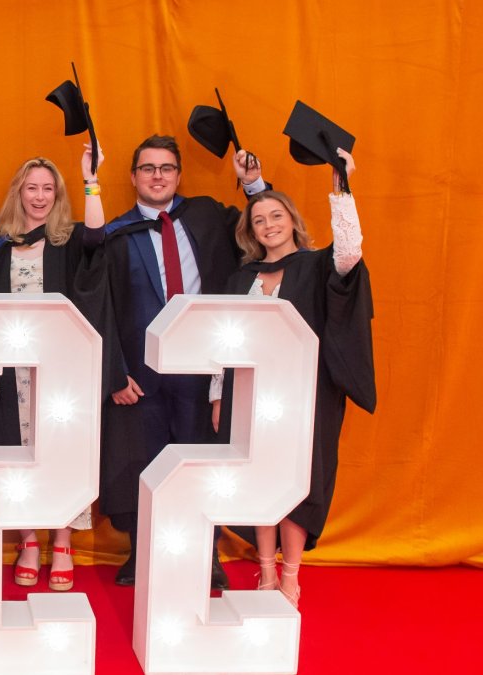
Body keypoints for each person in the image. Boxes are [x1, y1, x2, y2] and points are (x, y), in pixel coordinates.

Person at [79, 135, 267, 588]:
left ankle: (207, 556)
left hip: (204, 370)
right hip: (140, 375)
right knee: (142, 465)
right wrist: (113, 372)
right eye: (148, 168)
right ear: (133, 176)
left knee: (202, 462)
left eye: (166, 168)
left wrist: (255, 184)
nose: (157, 176)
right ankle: (143, 553)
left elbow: (262, 231)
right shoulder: (116, 233)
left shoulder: (205, 217)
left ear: (178, 175)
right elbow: (99, 304)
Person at [210, 150, 374, 607]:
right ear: (251, 230)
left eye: (276, 215)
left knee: (299, 480)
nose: (268, 224)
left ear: (292, 220)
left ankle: (291, 576)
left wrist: (341, 190)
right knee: (260, 479)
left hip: (306, 396)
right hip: (251, 394)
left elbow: (350, 253)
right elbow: (225, 340)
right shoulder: (241, 277)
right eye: (259, 219)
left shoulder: (318, 265)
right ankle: (264, 572)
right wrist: (219, 392)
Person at [0, 147, 106, 591]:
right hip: (12, 368)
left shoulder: (69, 240)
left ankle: (62, 541)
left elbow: (97, 241)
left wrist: (90, 180)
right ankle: (28, 538)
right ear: (19, 192)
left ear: (59, 195)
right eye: (31, 187)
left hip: (60, 366)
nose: (39, 196)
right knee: (19, 451)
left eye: (48, 189)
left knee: (62, 451)